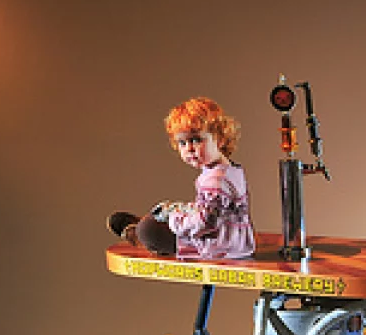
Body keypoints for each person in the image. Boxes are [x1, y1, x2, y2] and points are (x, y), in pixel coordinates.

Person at [107, 97, 255, 260]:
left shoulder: (215, 181)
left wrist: (175, 221)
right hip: (235, 239)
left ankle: (141, 233)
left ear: (219, 139)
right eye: (182, 143)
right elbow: (213, 209)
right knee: (164, 210)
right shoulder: (230, 169)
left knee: (148, 230)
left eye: (196, 140)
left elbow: (206, 223)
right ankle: (149, 222)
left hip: (218, 245)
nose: (189, 149)